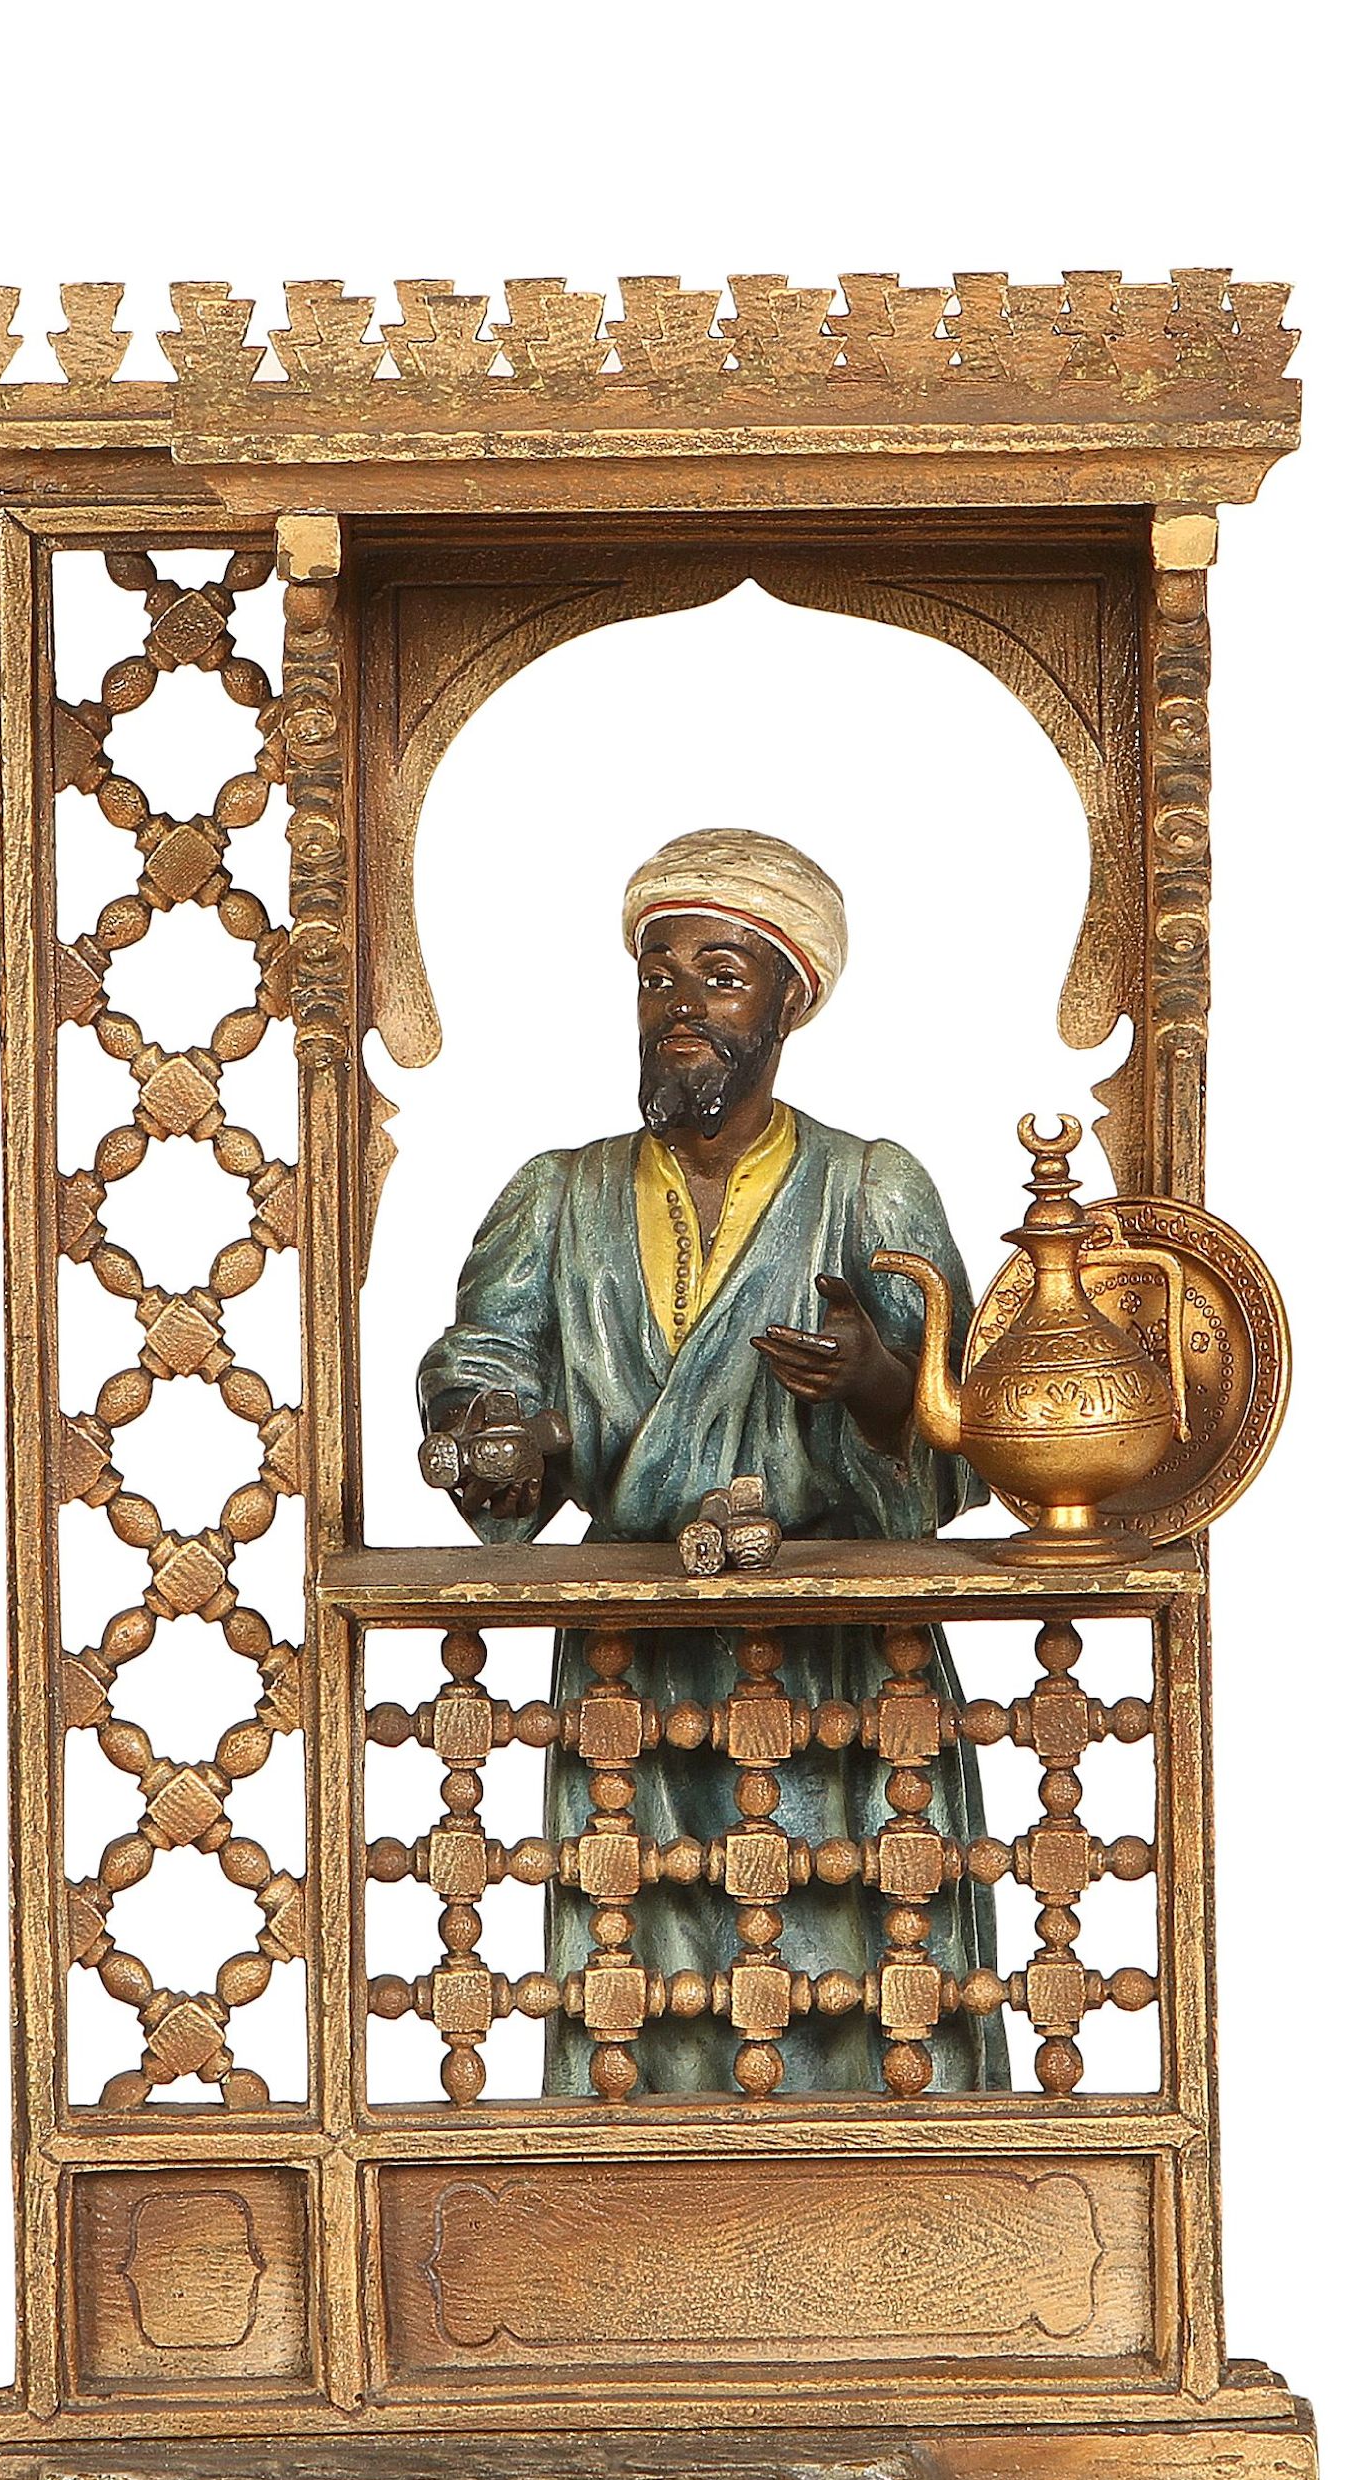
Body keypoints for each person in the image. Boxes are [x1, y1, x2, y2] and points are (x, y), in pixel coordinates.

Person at [418, 827, 1009, 2093]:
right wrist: (498, 1434)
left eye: (721, 977)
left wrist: (877, 1387)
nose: (680, 1006)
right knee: (642, 1988)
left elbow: (969, 1435)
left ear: (790, 1001)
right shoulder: (558, 1194)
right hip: (634, 1650)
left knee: (865, 1979)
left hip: (843, 1659)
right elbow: (487, 1361)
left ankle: (894, 2202)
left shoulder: (868, 1187)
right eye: (659, 977)